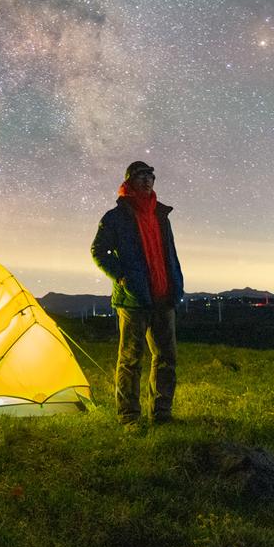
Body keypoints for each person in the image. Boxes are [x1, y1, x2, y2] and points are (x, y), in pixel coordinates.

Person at [90, 161, 185, 425]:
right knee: (131, 360)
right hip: (133, 299)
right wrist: (121, 277)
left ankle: (162, 413)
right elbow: (99, 250)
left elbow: (169, 255)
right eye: (141, 176)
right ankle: (129, 416)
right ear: (130, 181)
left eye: (150, 176)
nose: (147, 180)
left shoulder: (161, 216)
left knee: (166, 358)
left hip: (164, 296)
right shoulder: (116, 217)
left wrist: (177, 282)